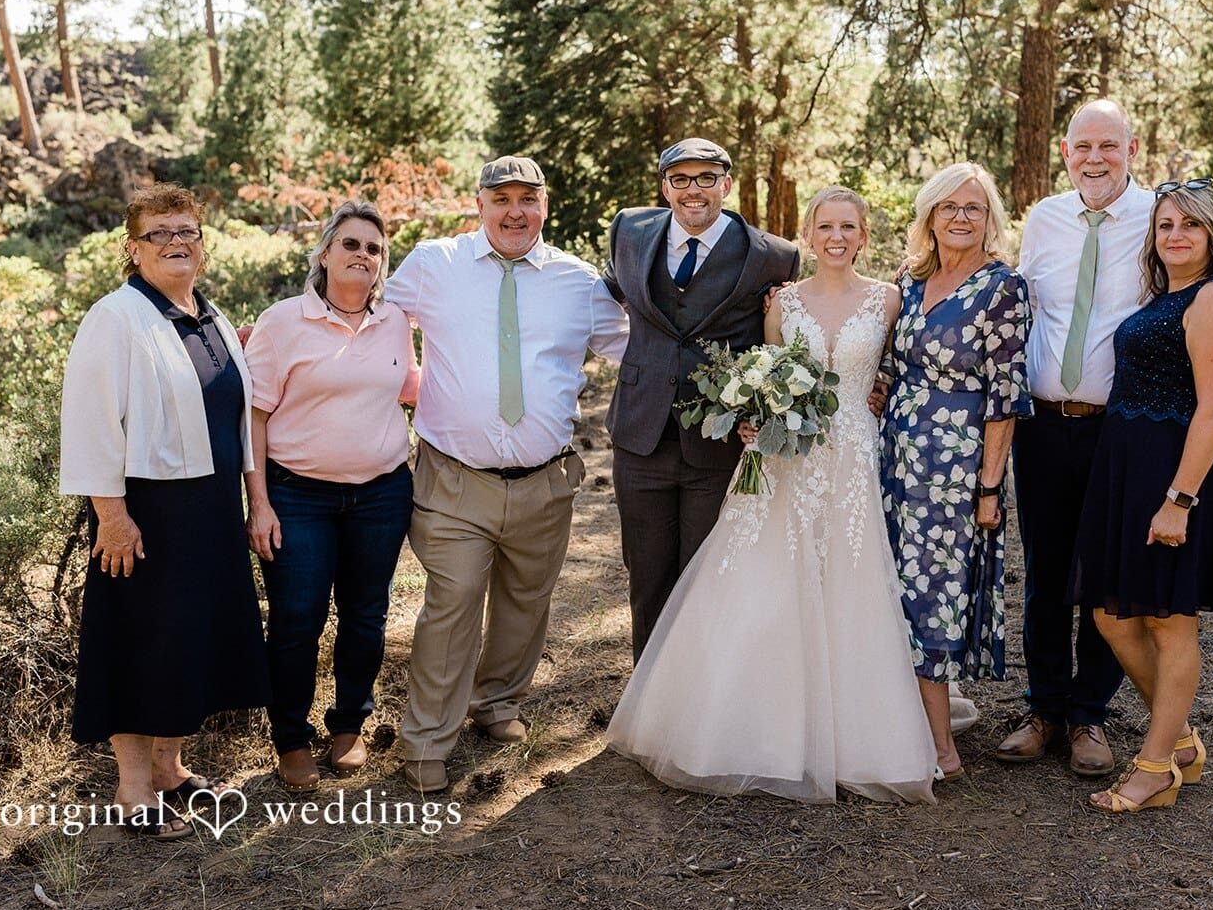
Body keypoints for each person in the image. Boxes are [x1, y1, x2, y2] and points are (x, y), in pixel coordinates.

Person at [607, 186, 937, 803]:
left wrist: (883, 387)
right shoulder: (781, 302)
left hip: (855, 457)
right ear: (807, 235)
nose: (836, 237)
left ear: (865, 235)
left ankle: (854, 730)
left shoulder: (890, 299)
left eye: (848, 227)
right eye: (825, 226)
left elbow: (905, 367)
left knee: (851, 578)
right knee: (766, 576)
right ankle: (754, 722)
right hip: (787, 455)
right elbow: (767, 370)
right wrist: (751, 418)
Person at [998, 100, 1213, 777]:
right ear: (1065, 153)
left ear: (1132, 149)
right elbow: (1022, 307)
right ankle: (1043, 708)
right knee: (1045, 573)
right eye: (1082, 147)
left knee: (1104, 578)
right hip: (1041, 423)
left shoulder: (1158, 214)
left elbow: (1200, 282)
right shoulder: (1044, 219)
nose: (1095, 159)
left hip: (1119, 433)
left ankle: (1089, 714)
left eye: (1108, 146)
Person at [386, 156, 628, 793]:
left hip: (546, 480)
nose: (515, 211)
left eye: (528, 198)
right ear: (480, 205)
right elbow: (368, 316)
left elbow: (637, 350)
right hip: (453, 479)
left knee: (526, 599)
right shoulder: (434, 264)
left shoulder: (580, 283)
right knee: (454, 600)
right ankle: (426, 739)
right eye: (502, 199)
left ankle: (497, 700)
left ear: (545, 206)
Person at [59, 183, 269, 840]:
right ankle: (133, 789)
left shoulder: (210, 317)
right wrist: (112, 517)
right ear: (133, 248)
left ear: (201, 245)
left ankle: (170, 767)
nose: (176, 242)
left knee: (190, 640)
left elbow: (234, 416)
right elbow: (91, 422)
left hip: (210, 506)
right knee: (139, 641)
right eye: (160, 233)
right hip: (145, 513)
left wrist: (250, 499)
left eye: (187, 231)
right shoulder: (115, 317)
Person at [1070, 179, 1213, 812]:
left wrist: (1179, 500)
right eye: (1166, 224)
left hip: (1179, 474)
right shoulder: (1163, 296)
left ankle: (1154, 770)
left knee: (1169, 622)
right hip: (1129, 470)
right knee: (1112, 616)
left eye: (1190, 225)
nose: (1176, 235)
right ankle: (1180, 742)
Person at [243, 201, 421, 791]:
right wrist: (259, 503)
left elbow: (412, 388)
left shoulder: (394, 321)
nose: (363, 255)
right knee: (298, 617)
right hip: (298, 497)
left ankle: (349, 725)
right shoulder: (282, 321)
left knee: (367, 614)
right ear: (324, 253)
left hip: (382, 495)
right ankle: (291, 738)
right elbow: (255, 416)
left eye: (374, 248)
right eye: (351, 243)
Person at [604, 139, 801, 661]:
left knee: (709, 577)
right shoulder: (628, 231)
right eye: (682, 179)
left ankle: (699, 697)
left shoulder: (773, 256)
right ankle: (649, 694)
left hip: (718, 444)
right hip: (639, 436)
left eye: (706, 178)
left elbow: (786, 337)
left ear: (726, 184)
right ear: (665, 187)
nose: (694, 190)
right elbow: (606, 295)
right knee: (646, 578)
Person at [879, 163, 1031, 781]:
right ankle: (896, 724)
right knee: (890, 584)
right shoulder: (910, 280)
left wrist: (989, 487)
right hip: (892, 457)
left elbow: (1005, 396)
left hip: (954, 467)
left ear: (990, 218)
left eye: (974, 207)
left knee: (932, 592)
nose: (961, 217)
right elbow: (888, 363)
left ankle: (942, 749)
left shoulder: (1003, 287)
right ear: (930, 216)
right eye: (949, 207)